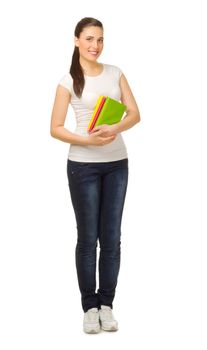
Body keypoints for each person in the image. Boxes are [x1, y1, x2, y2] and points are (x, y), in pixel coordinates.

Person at [50, 17, 140, 334]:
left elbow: (135, 113)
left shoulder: (115, 73)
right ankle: (89, 306)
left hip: (117, 163)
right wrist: (88, 140)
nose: (95, 46)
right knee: (89, 239)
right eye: (89, 39)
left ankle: (107, 305)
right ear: (76, 41)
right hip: (83, 165)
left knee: (111, 239)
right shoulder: (67, 81)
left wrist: (114, 128)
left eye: (100, 39)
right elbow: (55, 128)